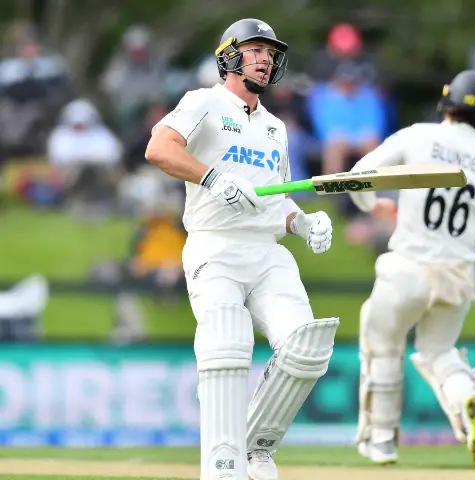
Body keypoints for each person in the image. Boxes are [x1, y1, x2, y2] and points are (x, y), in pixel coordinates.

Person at [144, 18, 339, 480]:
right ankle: (223, 467)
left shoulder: (275, 127)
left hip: (268, 253)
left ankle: (254, 445)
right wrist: (212, 177)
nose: (266, 59)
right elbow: (158, 148)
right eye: (256, 50)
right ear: (230, 56)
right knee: (228, 343)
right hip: (216, 245)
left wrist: (302, 222)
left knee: (306, 348)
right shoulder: (204, 102)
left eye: (271, 53)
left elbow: (275, 197)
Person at [346, 71, 475, 468]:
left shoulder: (417, 135)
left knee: (382, 342)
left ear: (446, 103)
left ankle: (381, 439)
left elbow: (357, 178)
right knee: (438, 352)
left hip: (408, 269)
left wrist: (374, 206)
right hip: (457, 276)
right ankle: (468, 400)